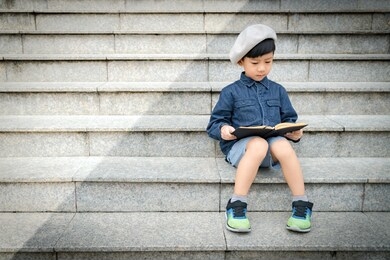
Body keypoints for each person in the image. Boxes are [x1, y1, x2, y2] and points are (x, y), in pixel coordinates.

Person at [206, 24, 313, 233]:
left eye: (268, 62)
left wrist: (295, 132)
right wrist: (224, 130)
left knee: (281, 144)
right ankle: (237, 204)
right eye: (255, 63)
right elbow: (214, 124)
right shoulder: (231, 92)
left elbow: (289, 119)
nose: (262, 68)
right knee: (257, 143)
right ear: (241, 61)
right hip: (242, 150)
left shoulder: (278, 90)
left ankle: (301, 204)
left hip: (271, 151)